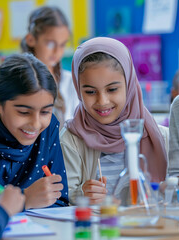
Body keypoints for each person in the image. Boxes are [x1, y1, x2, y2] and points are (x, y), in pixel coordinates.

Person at [60, 37, 168, 205]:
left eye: (112, 89)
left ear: (130, 85)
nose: (102, 101)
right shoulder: (71, 141)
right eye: (90, 92)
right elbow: (61, 200)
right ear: (78, 89)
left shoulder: (163, 139)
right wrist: (80, 194)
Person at [0, 53, 69, 209]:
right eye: (23, 112)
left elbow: (60, 200)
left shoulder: (49, 129)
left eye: (45, 112)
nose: (36, 124)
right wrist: (25, 200)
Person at [21, 6, 79, 128]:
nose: (57, 51)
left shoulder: (71, 82)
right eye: (50, 43)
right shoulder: (17, 80)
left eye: (62, 44)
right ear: (31, 39)